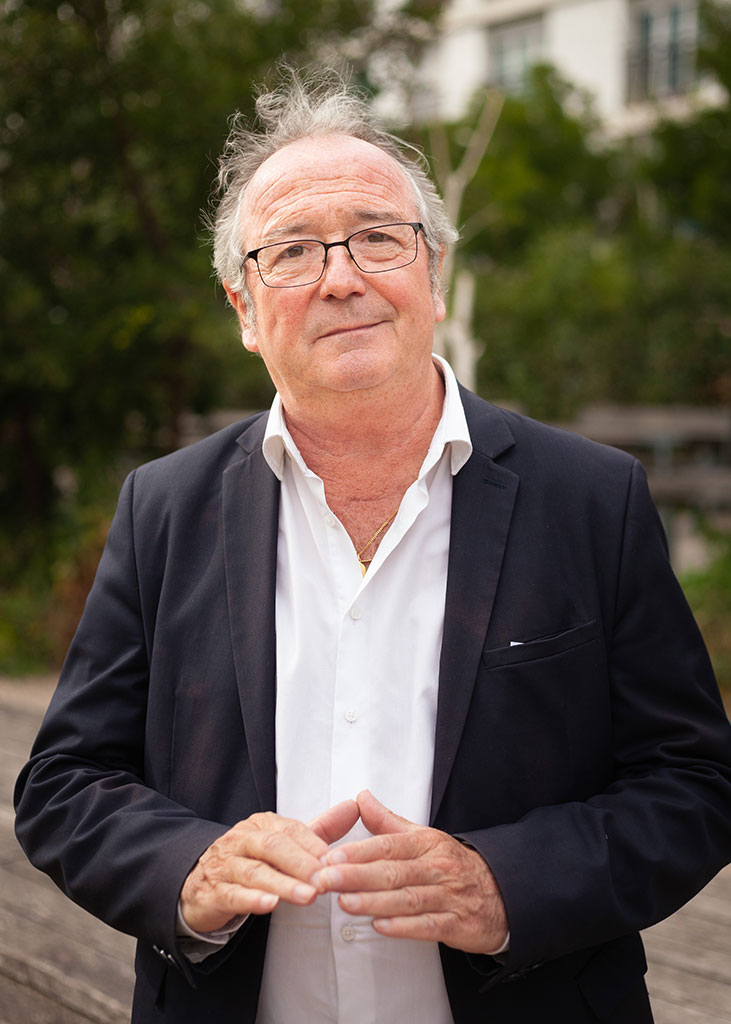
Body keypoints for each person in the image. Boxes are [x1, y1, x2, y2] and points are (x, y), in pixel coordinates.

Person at [14, 67, 731, 1024]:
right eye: (293, 251)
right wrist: (187, 868)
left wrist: (510, 884)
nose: (341, 277)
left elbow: (693, 782)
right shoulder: (164, 507)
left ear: (434, 274)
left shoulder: (593, 499)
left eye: (377, 238)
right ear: (242, 309)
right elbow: (64, 784)